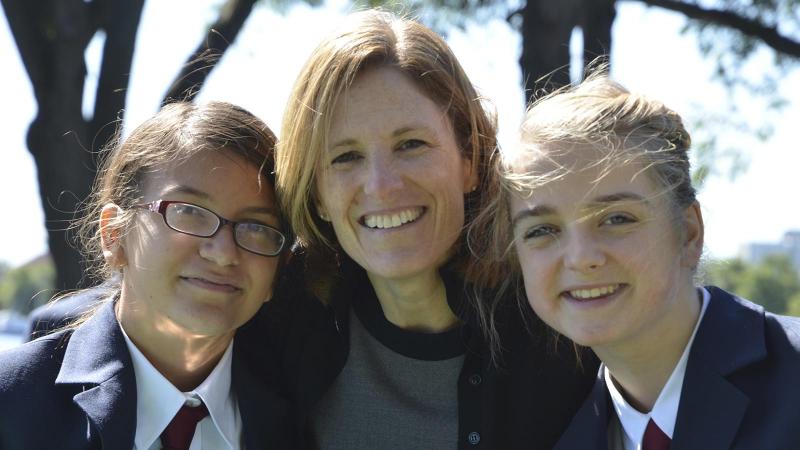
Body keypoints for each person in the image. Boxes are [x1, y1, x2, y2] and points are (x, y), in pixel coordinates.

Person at [264, 10, 597, 450]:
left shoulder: (568, 328)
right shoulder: (278, 326)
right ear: (318, 195)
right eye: (345, 157)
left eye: (411, 145)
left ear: (470, 160)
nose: (382, 185)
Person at [483, 73, 800, 449]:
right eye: (542, 230)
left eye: (617, 219)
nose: (582, 258)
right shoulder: (560, 435)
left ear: (688, 232)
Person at [0, 101, 294, 449]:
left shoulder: (309, 411)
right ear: (114, 235)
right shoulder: (12, 405)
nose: (224, 252)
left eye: (257, 227)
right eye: (188, 211)